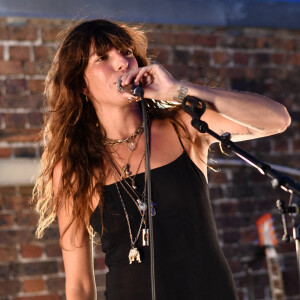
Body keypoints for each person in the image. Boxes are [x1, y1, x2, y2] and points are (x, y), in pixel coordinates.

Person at [32, 19, 291, 300]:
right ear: (81, 84)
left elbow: (277, 119)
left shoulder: (183, 127)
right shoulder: (73, 170)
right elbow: (79, 286)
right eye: (103, 58)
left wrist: (177, 91)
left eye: (127, 52)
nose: (122, 62)